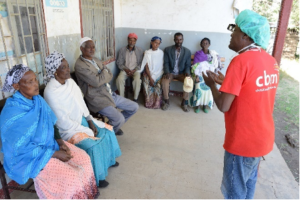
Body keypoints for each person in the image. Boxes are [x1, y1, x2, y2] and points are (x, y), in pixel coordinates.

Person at [202, 10, 278, 200]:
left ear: (245, 36)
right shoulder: (270, 61)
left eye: (234, 29)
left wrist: (212, 85)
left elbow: (223, 105)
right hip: (262, 138)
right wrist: (225, 81)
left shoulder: (240, 61)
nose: (230, 34)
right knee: (248, 186)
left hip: (243, 142)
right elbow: (250, 90)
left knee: (235, 192)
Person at [0, 64, 99, 199]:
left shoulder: (38, 100)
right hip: (27, 157)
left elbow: (51, 125)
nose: (36, 84)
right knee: (71, 177)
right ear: (17, 86)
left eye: (35, 79)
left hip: (49, 144)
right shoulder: (11, 112)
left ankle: (85, 195)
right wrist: (55, 154)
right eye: (30, 82)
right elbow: (20, 148)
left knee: (84, 159)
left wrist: (60, 142)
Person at [43, 51, 122, 188]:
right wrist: (85, 129)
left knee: (107, 130)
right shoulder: (50, 91)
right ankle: (98, 177)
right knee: (92, 144)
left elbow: (81, 104)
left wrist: (90, 120)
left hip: (81, 120)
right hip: (68, 129)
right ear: (54, 71)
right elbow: (62, 121)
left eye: (67, 66)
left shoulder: (70, 82)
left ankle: (108, 160)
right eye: (63, 68)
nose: (68, 70)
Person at [75, 37, 138, 136]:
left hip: (109, 93)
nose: (92, 50)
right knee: (119, 119)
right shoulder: (80, 65)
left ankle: (111, 126)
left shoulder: (95, 59)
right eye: (89, 47)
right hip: (97, 98)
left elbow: (110, 74)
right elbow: (96, 81)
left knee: (134, 107)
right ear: (82, 49)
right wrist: (103, 73)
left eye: (93, 47)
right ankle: (108, 132)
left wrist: (101, 76)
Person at [189, 37, 223, 113]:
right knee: (199, 85)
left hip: (209, 75)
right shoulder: (198, 54)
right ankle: (197, 105)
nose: (205, 44)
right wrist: (197, 76)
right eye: (203, 43)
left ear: (209, 44)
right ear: (201, 44)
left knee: (210, 85)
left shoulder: (212, 55)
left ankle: (205, 105)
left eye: (206, 43)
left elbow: (214, 67)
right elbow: (195, 67)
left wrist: (211, 75)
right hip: (199, 74)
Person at [161, 32, 192, 112]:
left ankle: (184, 102)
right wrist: (167, 72)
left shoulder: (187, 51)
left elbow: (188, 65)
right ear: (174, 40)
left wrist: (187, 73)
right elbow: (166, 62)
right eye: (177, 39)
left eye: (180, 39)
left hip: (181, 73)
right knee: (164, 81)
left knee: (188, 81)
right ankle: (166, 101)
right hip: (171, 72)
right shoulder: (168, 50)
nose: (179, 41)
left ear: (183, 40)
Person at [116, 33, 143, 102]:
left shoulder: (140, 50)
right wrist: (126, 69)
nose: (132, 42)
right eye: (130, 40)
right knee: (119, 79)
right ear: (127, 40)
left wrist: (134, 70)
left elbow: (141, 63)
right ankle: (121, 98)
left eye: (133, 41)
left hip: (136, 70)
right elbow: (119, 62)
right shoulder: (122, 50)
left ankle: (135, 98)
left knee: (137, 81)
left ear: (136, 41)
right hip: (125, 70)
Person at [140, 36, 164, 109]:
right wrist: (150, 77)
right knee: (146, 81)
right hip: (149, 73)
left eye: (158, 43)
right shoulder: (147, 52)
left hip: (159, 74)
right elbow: (146, 66)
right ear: (151, 42)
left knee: (158, 85)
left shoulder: (161, 53)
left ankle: (156, 104)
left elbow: (161, 66)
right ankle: (149, 103)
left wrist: (156, 76)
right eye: (155, 43)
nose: (156, 45)